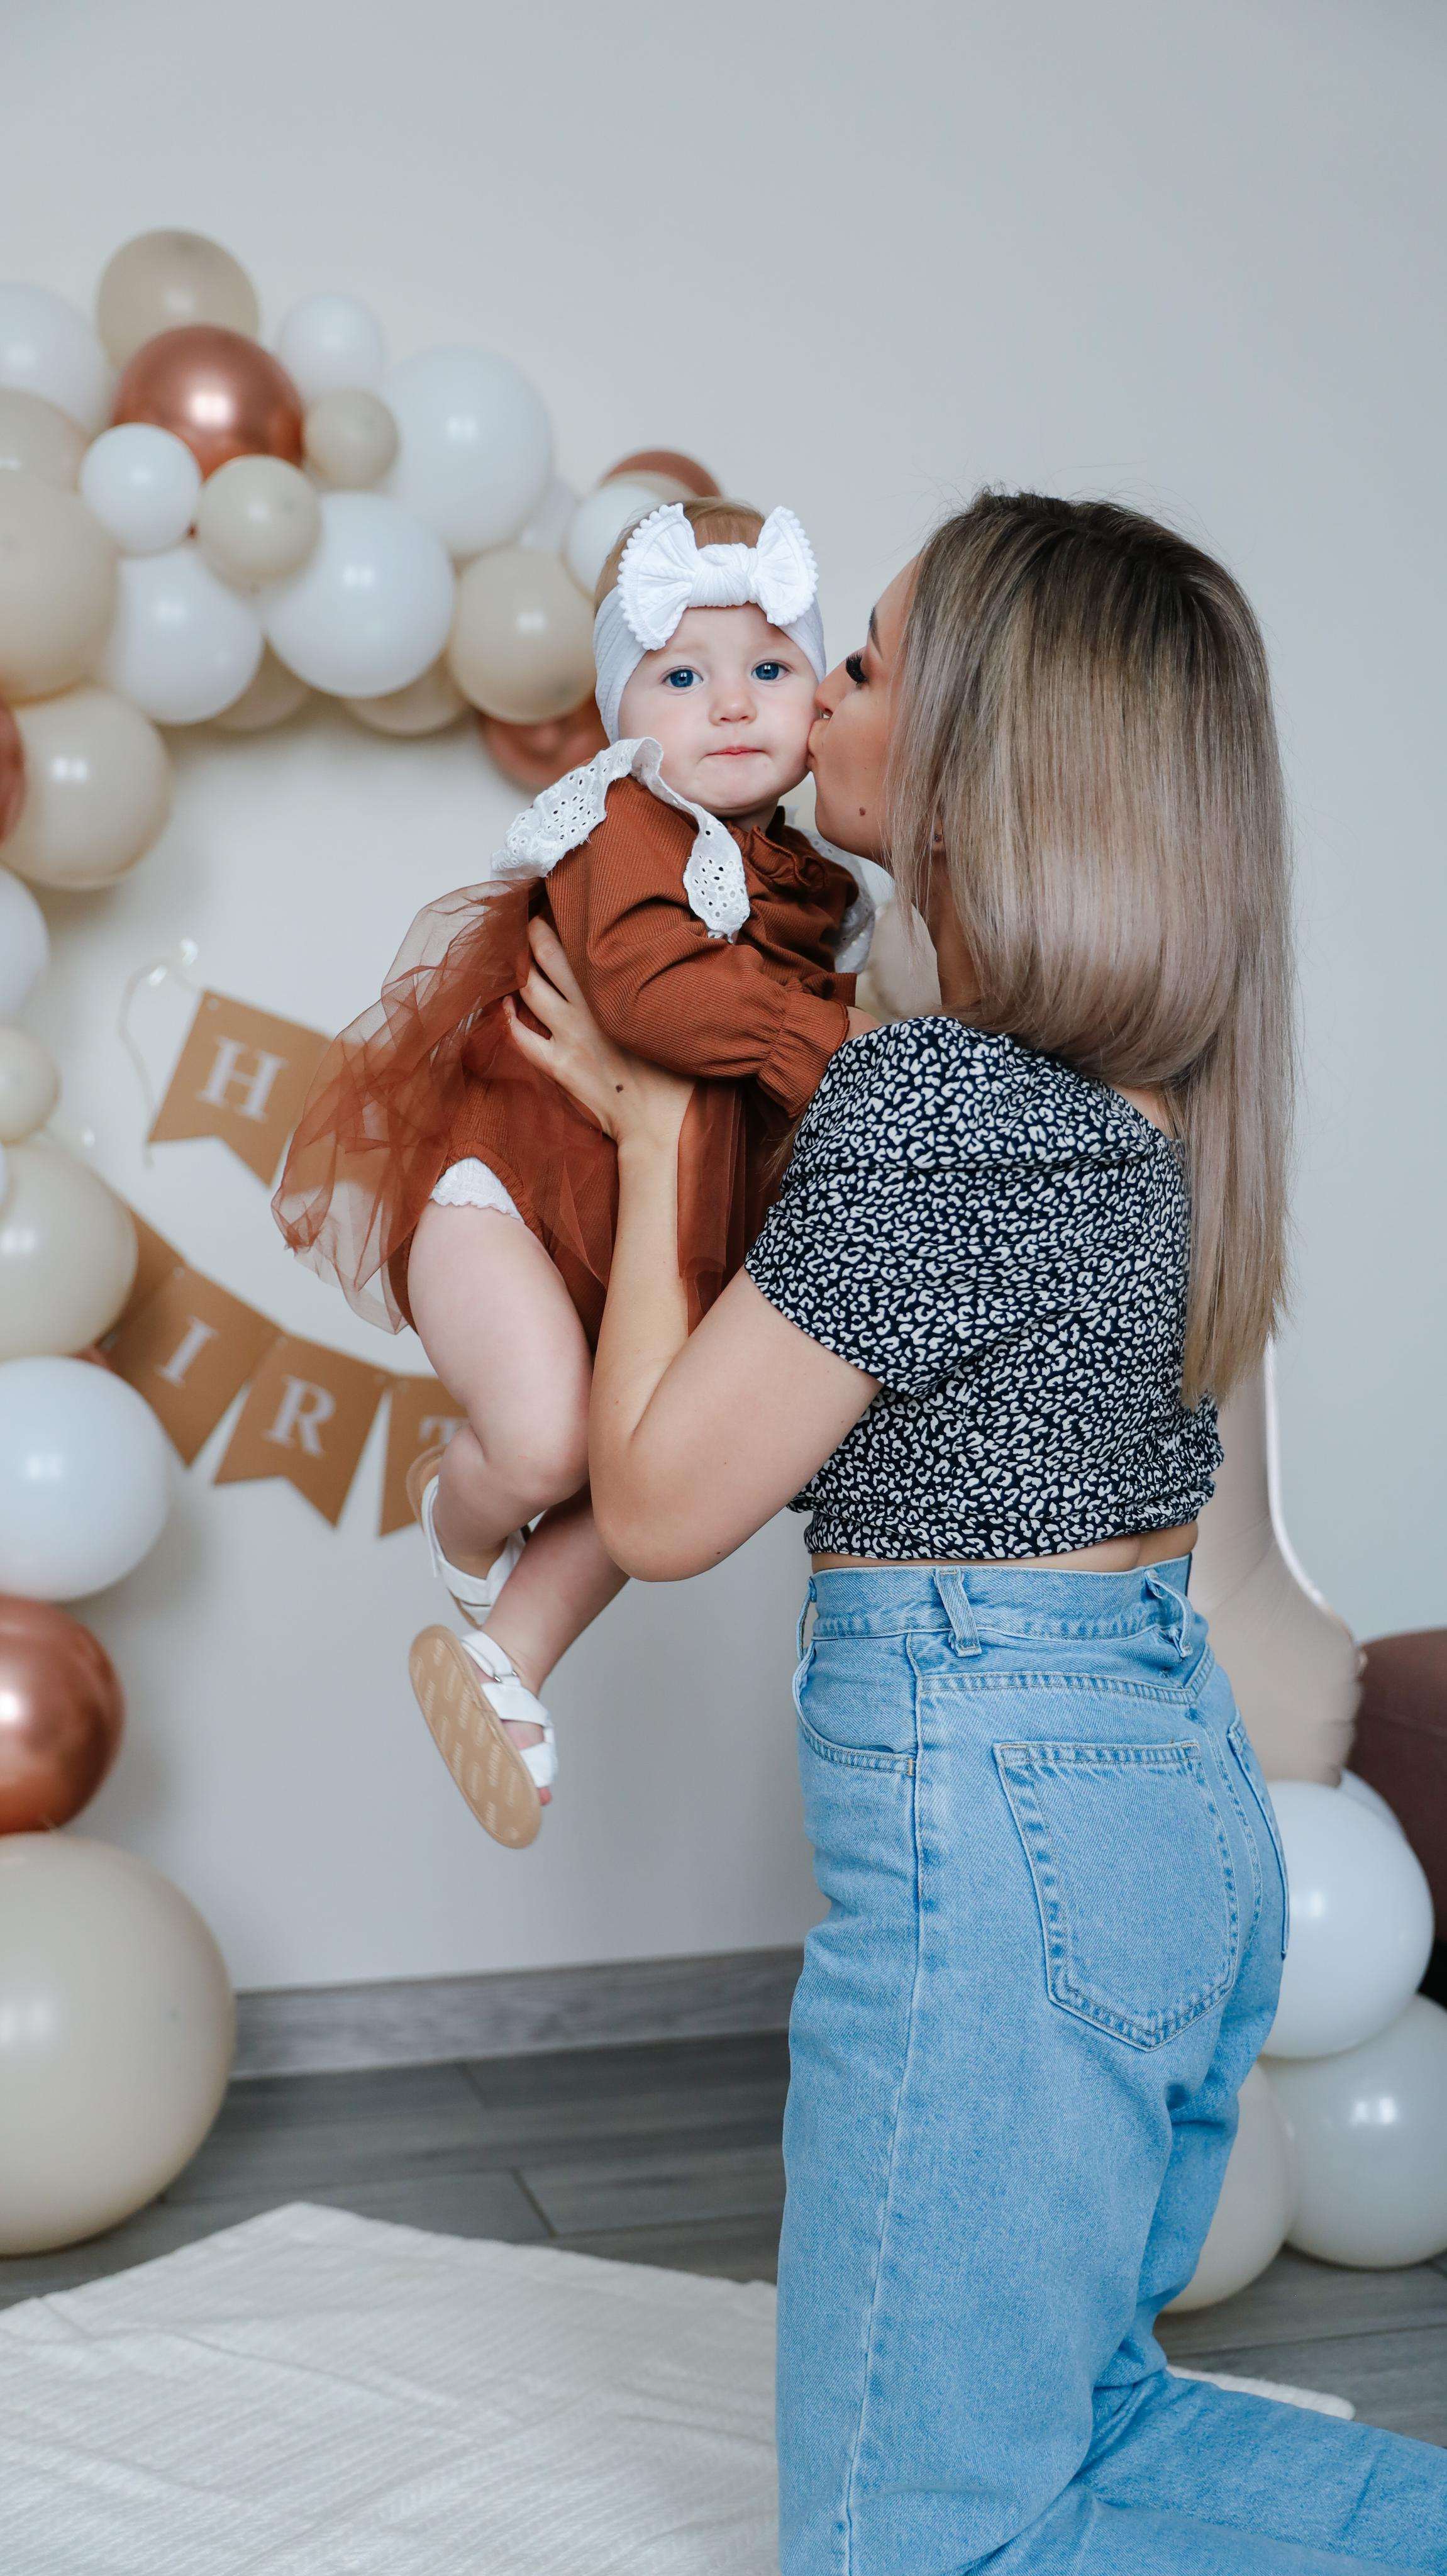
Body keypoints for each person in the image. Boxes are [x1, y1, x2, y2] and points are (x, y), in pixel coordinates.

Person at [506, 492, 1447, 2572]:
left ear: (967, 773)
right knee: (1089, 2421)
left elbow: (659, 1500)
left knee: (913, 2537)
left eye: (860, 666)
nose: (809, 689)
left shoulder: (934, 1112)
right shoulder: (1167, 1103)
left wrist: (661, 1124)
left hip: (995, 1818)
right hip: (1163, 1789)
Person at [274, 498, 876, 1848]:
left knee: (642, 1447)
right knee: (546, 1439)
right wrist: (838, 1050)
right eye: (680, 676)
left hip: (659, 1218)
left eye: (770, 669)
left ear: (814, 703)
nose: (730, 704)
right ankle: (464, 1493)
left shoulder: (818, 885)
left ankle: (513, 1661)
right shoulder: (619, 822)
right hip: (513, 1179)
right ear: (619, 709)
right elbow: (655, 998)